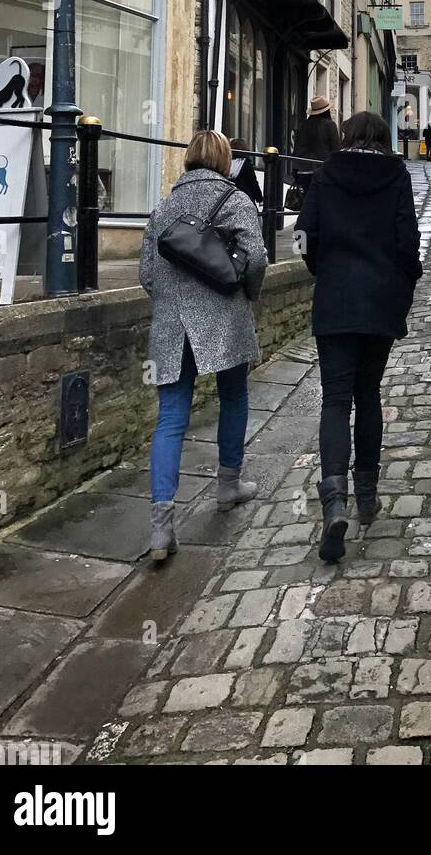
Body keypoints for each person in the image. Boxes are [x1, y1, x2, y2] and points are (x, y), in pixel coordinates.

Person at [296, 111, 423, 563]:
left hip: (335, 298)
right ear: (383, 137)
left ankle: (334, 501)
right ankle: (367, 495)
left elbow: (303, 236)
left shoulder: (327, 174)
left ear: (347, 135)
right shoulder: (396, 174)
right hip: (380, 298)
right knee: (368, 394)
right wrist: (406, 281)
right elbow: (408, 241)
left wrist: (324, 272)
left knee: (335, 399)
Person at [140, 131, 269, 561]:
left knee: (171, 417)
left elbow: (146, 273)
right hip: (224, 317)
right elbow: (256, 259)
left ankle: (160, 529)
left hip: (170, 323)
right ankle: (228, 485)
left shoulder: (163, 206)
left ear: (189, 160)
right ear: (225, 160)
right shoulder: (235, 201)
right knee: (234, 396)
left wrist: (171, 302)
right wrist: (248, 295)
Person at [292, 96, 341, 195]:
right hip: (322, 170)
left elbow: (296, 149)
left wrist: (295, 171)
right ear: (326, 111)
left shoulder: (303, 126)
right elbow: (335, 150)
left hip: (303, 171)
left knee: (308, 199)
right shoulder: (330, 125)